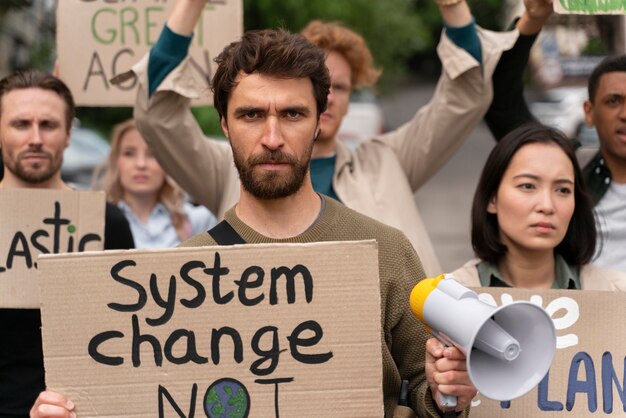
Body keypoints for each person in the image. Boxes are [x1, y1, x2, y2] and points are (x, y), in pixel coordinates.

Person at [30, 3, 477, 417]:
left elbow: (427, 389)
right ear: (223, 123)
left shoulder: (386, 250)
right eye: (250, 115)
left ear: (321, 118)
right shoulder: (180, 273)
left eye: (293, 115)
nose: (272, 137)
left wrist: (447, 391)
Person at [121, 0, 520, 277]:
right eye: (256, 113)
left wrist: (452, 6)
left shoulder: (388, 161)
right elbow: (158, 113)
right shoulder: (228, 166)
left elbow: (465, 94)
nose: (272, 136)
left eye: (339, 90)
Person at [0, 70, 134, 418]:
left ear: (69, 134)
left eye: (48, 124)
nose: (35, 138)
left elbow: (127, 337)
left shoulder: (109, 224)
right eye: (20, 124)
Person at [486, 0, 626, 274]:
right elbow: (502, 105)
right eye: (613, 101)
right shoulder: (568, 166)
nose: (625, 114)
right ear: (589, 111)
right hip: (582, 311)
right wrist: (532, 20)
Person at [451, 123, 626, 290]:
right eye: (528, 186)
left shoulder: (616, 293)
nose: (547, 206)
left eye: (562, 190)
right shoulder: (450, 297)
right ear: (492, 199)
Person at [94, 119, 216, 248]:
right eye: (129, 153)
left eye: (152, 154)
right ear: (115, 161)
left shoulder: (192, 220)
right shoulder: (98, 220)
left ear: (167, 162)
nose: (141, 164)